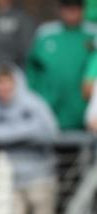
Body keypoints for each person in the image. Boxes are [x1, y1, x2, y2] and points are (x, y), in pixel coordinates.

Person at [0, 65, 58, 214]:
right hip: (7, 181)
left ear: (17, 83)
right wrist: (26, 130)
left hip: (39, 177)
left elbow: (50, 131)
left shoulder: (34, 103)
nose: (3, 88)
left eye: (7, 82)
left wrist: (4, 134)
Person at [33, 0, 97, 130]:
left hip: (85, 111)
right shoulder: (46, 33)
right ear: (61, 9)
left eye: (76, 7)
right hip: (49, 110)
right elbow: (33, 72)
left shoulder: (93, 34)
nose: (72, 12)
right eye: (68, 7)